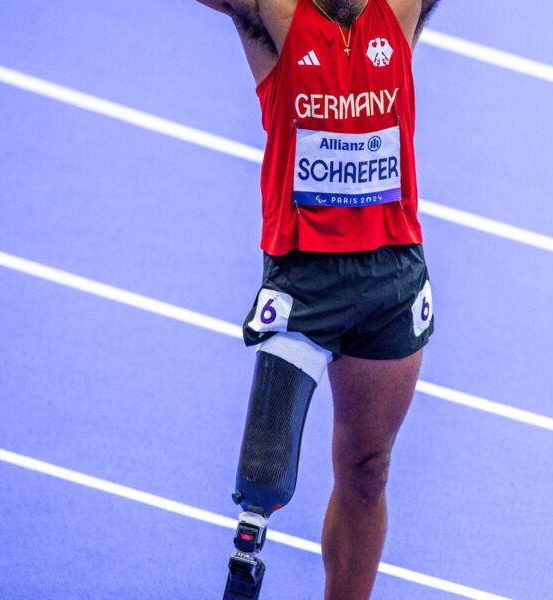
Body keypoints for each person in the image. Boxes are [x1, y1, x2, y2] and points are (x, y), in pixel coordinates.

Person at [194, 0, 442, 598]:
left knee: (367, 470)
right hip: (304, 282)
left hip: (390, 277)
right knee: (262, 482)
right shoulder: (273, 17)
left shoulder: (398, 14)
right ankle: (246, 562)